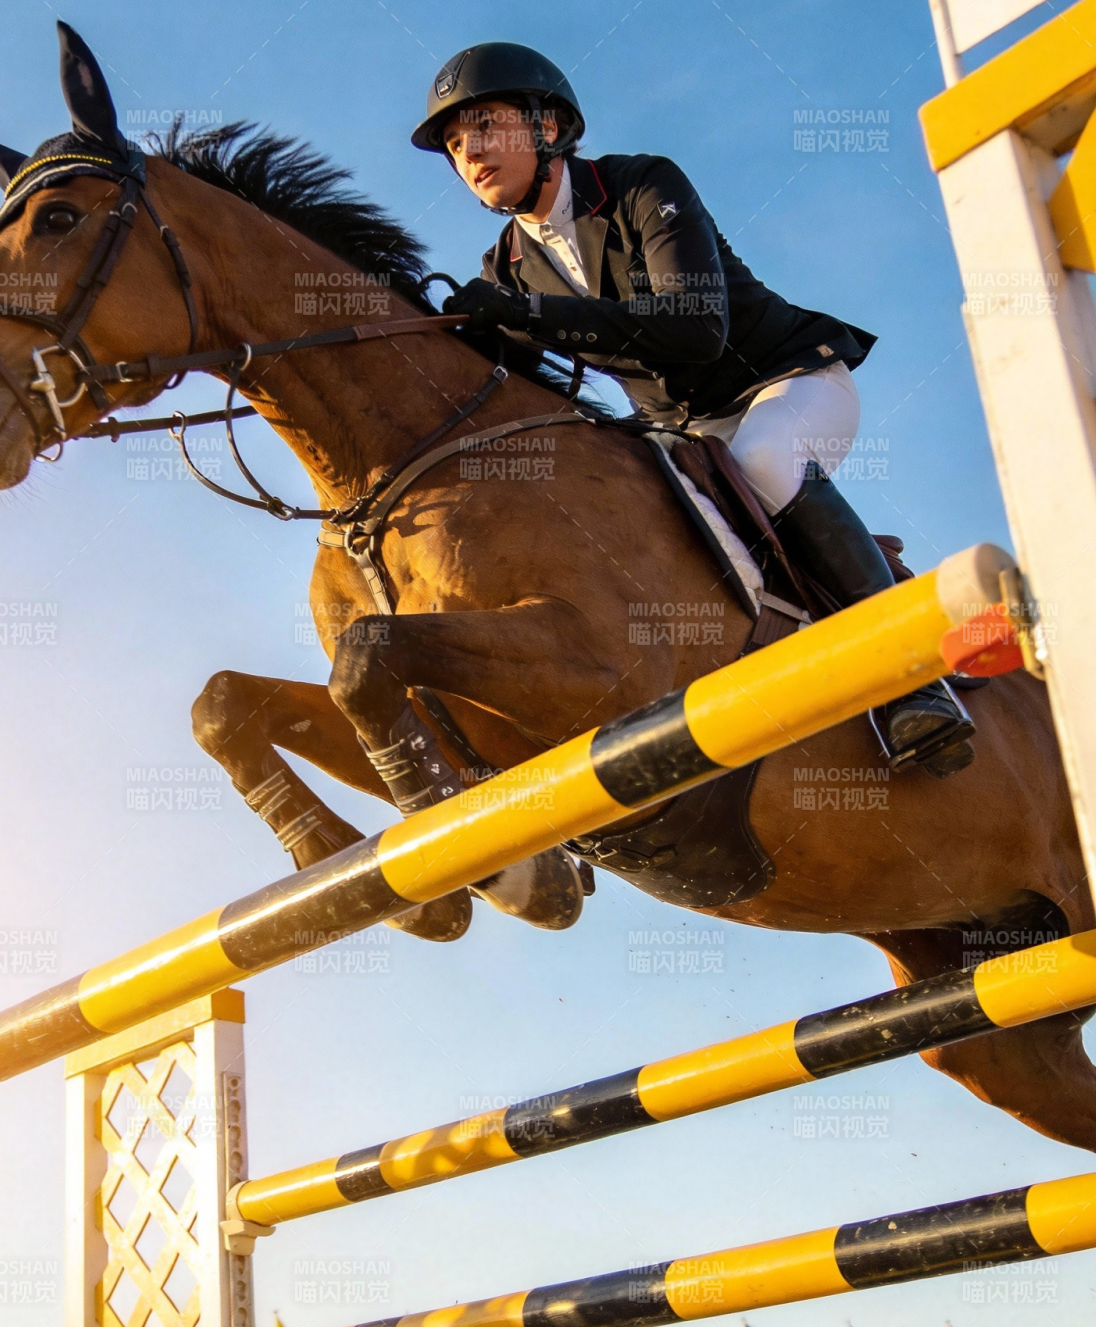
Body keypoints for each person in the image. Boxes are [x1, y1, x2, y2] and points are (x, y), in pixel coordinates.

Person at [413, 42, 973, 777]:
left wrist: (532, 317)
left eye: (484, 125)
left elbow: (694, 332)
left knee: (766, 459)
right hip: (682, 434)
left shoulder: (644, 184)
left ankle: (914, 677)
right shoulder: (506, 266)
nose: (470, 153)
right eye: (454, 144)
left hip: (781, 383)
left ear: (548, 125)